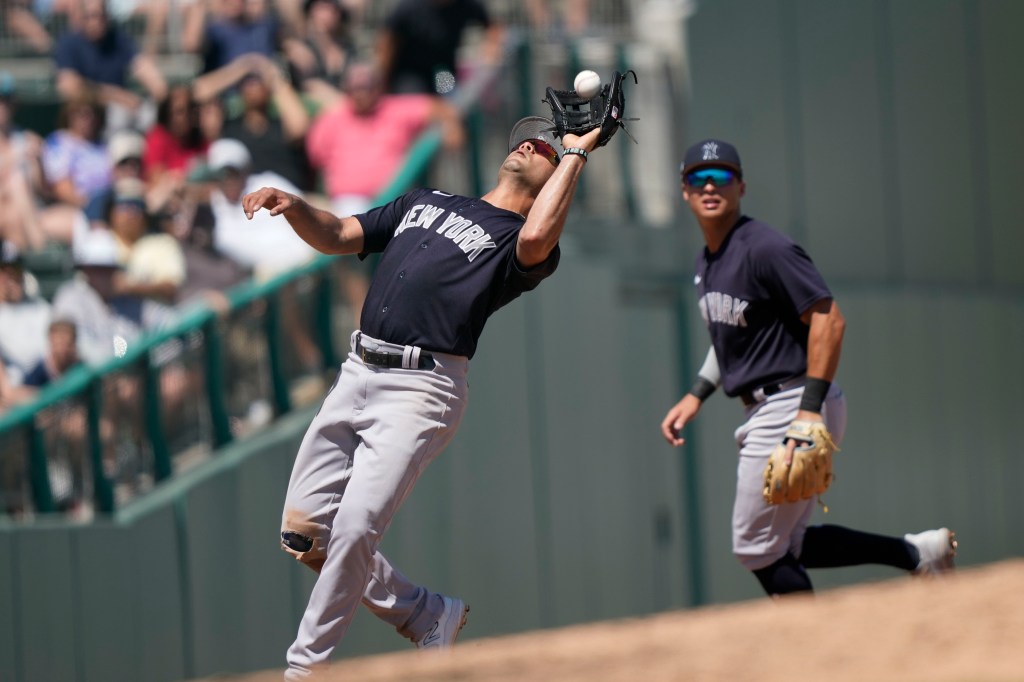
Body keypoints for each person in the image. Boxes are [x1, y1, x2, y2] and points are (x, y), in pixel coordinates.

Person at [241, 116, 601, 679]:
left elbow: (536, 238)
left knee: (357, 527)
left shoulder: (520, 241)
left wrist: (576, 154)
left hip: (420, 387)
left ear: (556, 179)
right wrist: (294, 206)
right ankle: (426, 613)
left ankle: (303, 669)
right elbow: (337, 235)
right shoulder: (425, 199)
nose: (532, 144)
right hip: (357, 369)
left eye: (545, 148)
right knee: (307, 534)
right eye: (526, 138)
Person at [659, 139, 958, 598]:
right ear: (684, 190)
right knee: (788, 543)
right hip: (774, 406)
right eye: (699, 177)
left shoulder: (765, 248)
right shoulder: (707, 260)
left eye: (722, 176)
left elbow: (828, 319)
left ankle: (808, 646)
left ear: (740, 185)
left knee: (755, 547)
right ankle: (917, 554)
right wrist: (696, 393)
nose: (710, 186)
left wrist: (808, 412)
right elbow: (731, 336)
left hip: (793, 403)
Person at [52, 0, 168, 133]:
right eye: (92, 15)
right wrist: (118, 97)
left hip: (124, 109)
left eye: (102, 15)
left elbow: (144, 68)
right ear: (81, 17)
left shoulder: (117, 39)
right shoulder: (68, 43)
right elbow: (69, 86)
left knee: (150, 115)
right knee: (118, 117)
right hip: (91, 115)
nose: (98, 21)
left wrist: (163, 96)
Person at [376, 0, 504, 95]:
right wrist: (383, 79)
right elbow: (388, 42)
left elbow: (492, 26)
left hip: (443, 71)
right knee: (415, 106)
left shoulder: (465, 4)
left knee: (454, 102)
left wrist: (491, 49)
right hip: (410, 75)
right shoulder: (409, 7)